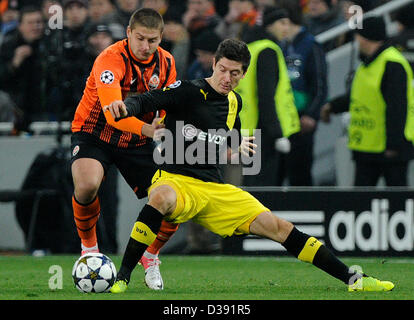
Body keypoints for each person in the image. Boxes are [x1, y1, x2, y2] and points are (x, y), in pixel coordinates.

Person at [104, 38, 394, 293]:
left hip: (214, 188)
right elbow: (148, 99)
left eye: (235, 73)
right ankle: (123, 277)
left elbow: (223, 139)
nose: (227, 77)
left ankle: (353, 279)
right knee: (161, 196)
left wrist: (234, 149)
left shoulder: (234, 103)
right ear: (214, 64)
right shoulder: (188, 90)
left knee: (280, 227)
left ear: (243, 74)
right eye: (223, 69)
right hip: (177, 179)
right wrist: (125, 107)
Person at [70, 8, 179, 289]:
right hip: (95, 133)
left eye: (152, 40)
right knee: (87, 185)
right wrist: (148, 129)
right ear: (128, 33)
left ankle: (151, 255)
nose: (145, 47)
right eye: (140, 38)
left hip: (138, 142)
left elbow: (168, 104)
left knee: (174, 203)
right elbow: (111, 115)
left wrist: (164, 121)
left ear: (161, 38)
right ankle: (89, 249)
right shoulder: (109, 60)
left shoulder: (167, 64)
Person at [320, 16, 414, 186]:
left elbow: (397, 107)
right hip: (367, 146)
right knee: (362, 202)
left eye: (357, 36)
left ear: (365, 37)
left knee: (396, 201)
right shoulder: (368, 64)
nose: (356, 40)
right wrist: (332, 106)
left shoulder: (392, 64)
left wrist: (394, 145)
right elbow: (357, 97)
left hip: (389, 148)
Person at [238, 6, 301, 187]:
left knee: (251, 183)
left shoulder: (251, 48)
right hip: (263, 131)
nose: (286, 28)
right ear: (269, 25)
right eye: (282, 23)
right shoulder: (268, 50)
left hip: (248, 127)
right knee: (263, 186)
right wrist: (276, 133)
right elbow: (266, 95)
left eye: (288, 24)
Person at [276, 0, 328, 186]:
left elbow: (320, 84)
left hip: (301, 120)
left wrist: (311, 114)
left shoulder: (311, 45)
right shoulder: (280, 46)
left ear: (287, 21)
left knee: (300, 173)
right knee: (277, 172)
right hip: (283, 120)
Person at [0, 5, 47, 132]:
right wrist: (14, 63)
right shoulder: (9, 45)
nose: (36, 26)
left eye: (38, 22)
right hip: (15, 104)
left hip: (43, 103)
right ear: (20, 26)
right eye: (30, 23)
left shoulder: (49, 43)